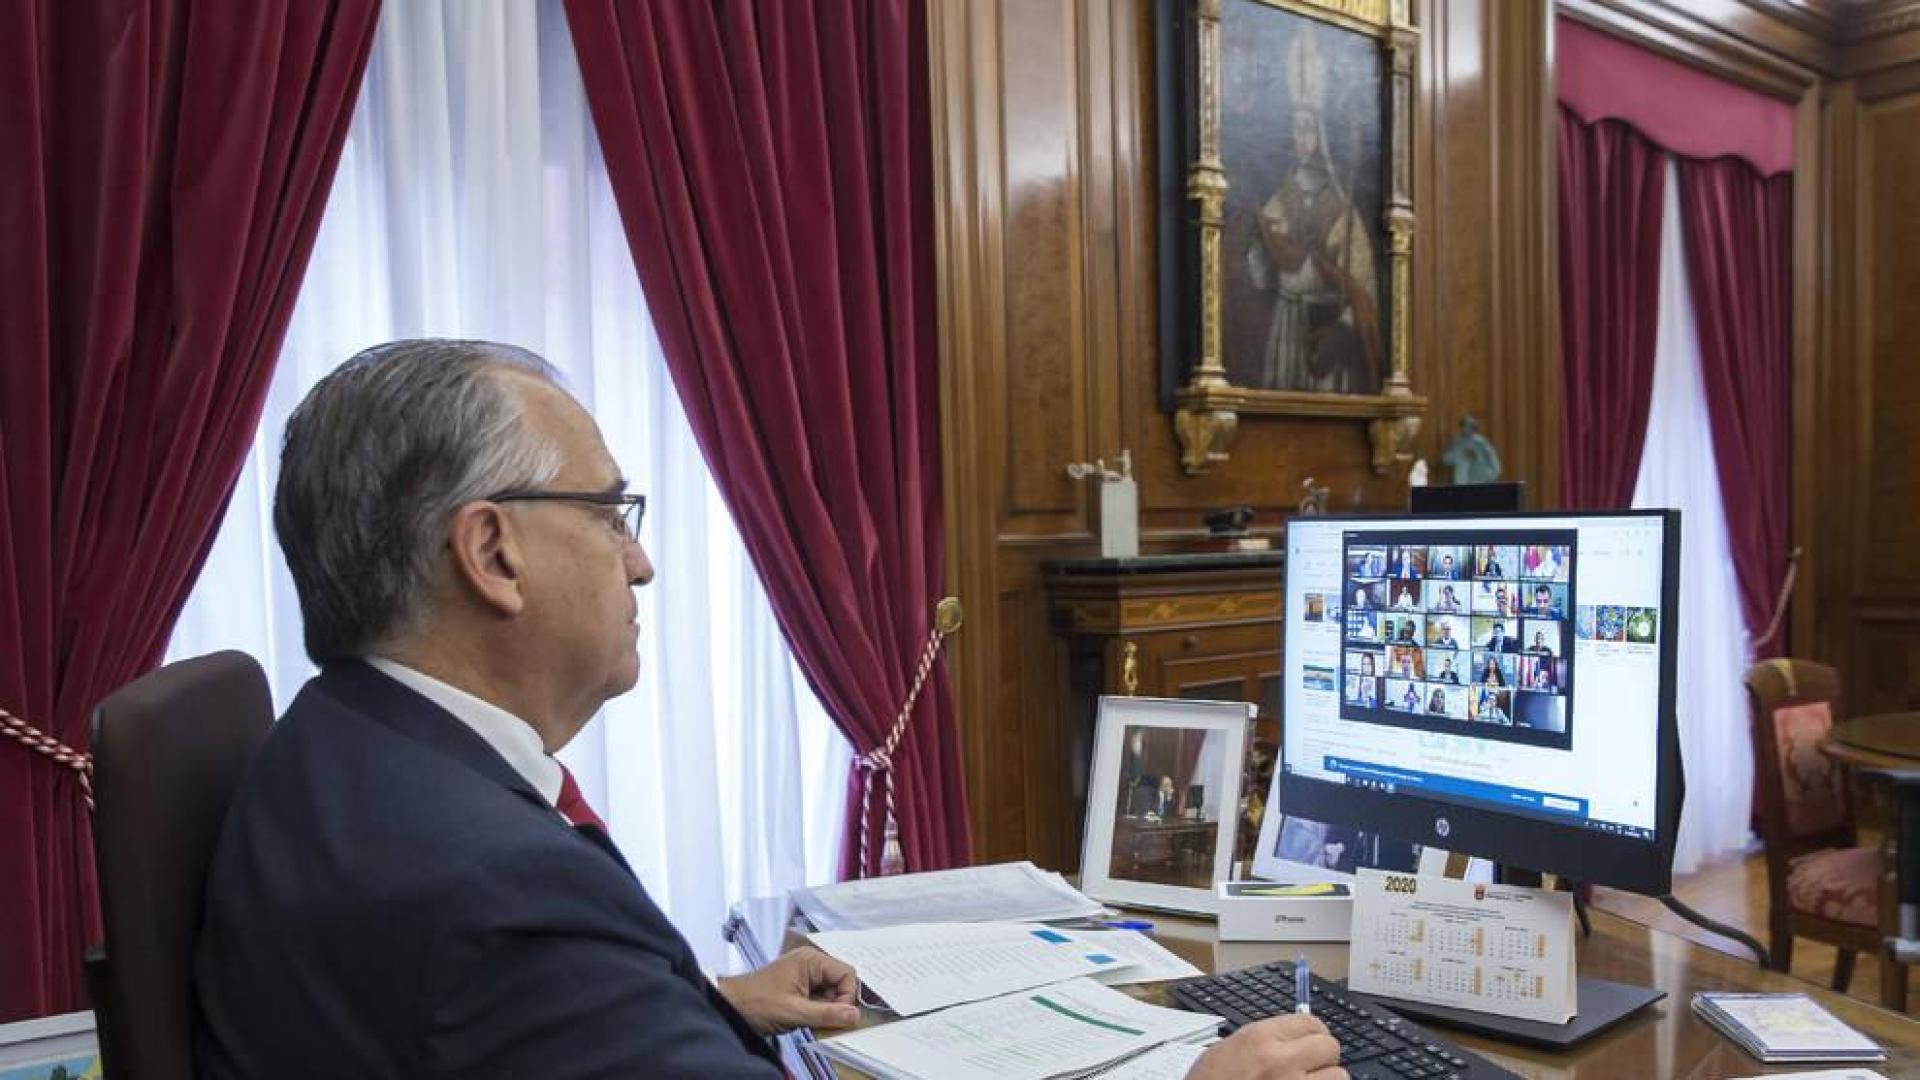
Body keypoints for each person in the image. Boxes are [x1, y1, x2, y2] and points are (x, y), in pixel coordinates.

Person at [192, 341, 1343, 1079]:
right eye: (609, 514)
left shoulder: (333, 747)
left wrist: (703, 1004)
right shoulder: (494, 890)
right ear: (491, 551)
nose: (639, 564)